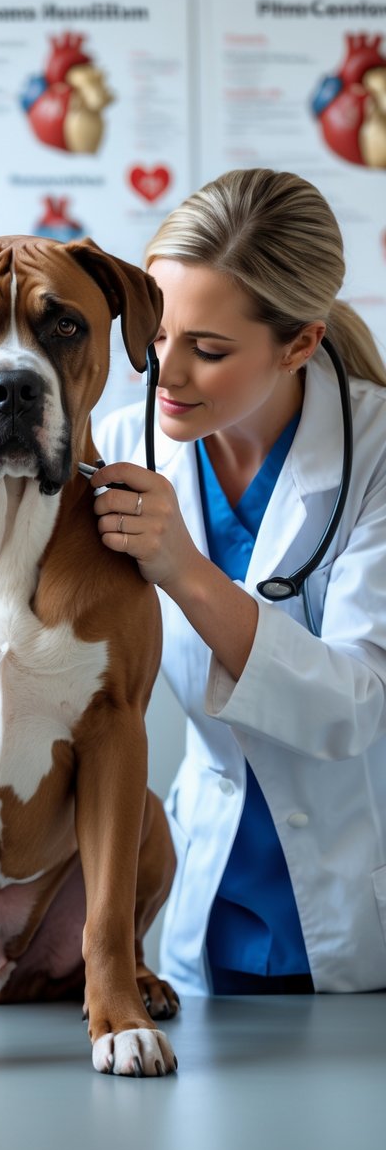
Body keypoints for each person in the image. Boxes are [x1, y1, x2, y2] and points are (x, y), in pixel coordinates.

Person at [90, 168, 386, 996]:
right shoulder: (121, 442)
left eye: (207, 349)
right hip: (203, 902)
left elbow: (359, 702)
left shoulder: (379, 452)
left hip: (353, 910)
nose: (165, 373)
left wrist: (184, 569)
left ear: (300, 342)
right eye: (154, 333)